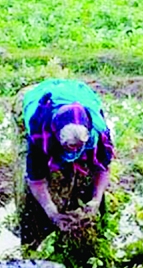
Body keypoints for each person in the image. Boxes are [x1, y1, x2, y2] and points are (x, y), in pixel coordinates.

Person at [16, 79, 116, 248]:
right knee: (32, 198)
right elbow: (36, 180)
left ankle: (92, 236)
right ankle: (34, 243)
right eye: (69, 147)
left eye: (79, 147)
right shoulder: (40, 131)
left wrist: (95, 200)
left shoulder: (96, 130)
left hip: (80, 98)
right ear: (58, 137)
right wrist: (52, 212)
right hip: (35, 106)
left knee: (86, 183)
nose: (75, 151)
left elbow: (103, 167)